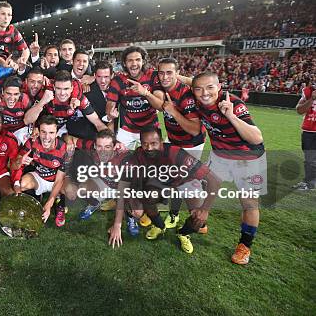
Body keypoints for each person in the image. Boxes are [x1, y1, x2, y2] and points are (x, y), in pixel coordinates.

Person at [107, 128, 221, 254]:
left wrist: (205, 209)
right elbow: (124, 184)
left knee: (199, 219)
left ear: (161, 141)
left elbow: (214, 180)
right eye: (145, 144)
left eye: (153, 143)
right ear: (140, 143)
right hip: (162, 184)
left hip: (184, 182)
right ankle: (159, 226)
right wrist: (118, 222)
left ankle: (183, 233)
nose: (149, 148)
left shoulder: (177, 153)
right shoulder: (139, 154)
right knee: (146, 197)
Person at [192, 71, 266, 264]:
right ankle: (202, 219)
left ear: (219, 87)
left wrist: (231, 117)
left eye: (210, 88)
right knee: (202, 184)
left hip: (247, 158)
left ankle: (245, 246)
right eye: (199, 89)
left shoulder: (232, 104)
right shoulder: (199, 100)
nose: (204, 93)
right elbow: (189, 82)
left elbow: (257, 137)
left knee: (249, 203)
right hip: (220, 155)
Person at [153, 57, 207, 230]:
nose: (165, 77)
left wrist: (173, 112)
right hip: (174, 141)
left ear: (177, 73)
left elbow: (194, 129)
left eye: (170, 73)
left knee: (184, 182)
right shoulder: (162, 86)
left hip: (191, 144)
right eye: (161, 73)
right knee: (173, 178)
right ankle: (174, 212)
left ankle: (194, 218)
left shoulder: (187, 95)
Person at [11, 115, 68, 227]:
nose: (47, 137)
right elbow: (13, 166)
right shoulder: (32, 142)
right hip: (40, 177)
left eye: (51, 133)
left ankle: (59, 203)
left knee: (71, 190)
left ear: (57, 133)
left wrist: (49, 204)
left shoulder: (64, 150)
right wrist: (20, 161)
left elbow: (59, 180)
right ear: (39, 131)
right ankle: (36, 198)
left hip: (56, 181)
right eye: (43, 132)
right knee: (23, 184)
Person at [105, 46, 164, 149]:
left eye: (138, 60)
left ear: (143, 61)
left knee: (155, 160)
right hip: (127, 129)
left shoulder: (152, 76)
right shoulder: (118, 80)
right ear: (124, 63)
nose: (134, 64)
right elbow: (110, 104)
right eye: (130, 60)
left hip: (151, 128)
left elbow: (160, 106)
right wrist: (110, 112)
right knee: (115, 157)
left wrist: (146, 93)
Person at [25, 70, 107, 138]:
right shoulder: (45, 94)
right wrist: (42, 102)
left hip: (65, 129)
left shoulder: (79, 99)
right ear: (54, 87)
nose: (62, 93)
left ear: (72, 88)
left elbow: (97, 122)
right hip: (47, 129)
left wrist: (112, 140)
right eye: (58, 88)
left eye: (66, 89)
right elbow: (27, 120)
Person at [295, 83, 316, 191]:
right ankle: (309, 181)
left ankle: (310, 183)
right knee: (309, 159)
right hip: (309, 131)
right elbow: (299, 110)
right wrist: (312, 99)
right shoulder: (308, 91)